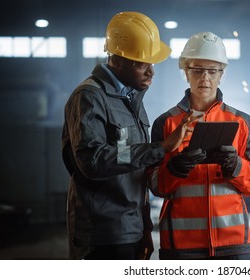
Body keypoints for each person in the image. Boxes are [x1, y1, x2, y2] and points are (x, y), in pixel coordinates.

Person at [61, 11, 199, 260]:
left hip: (130, 230)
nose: (150, 72)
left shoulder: (130, 99)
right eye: (140, 64)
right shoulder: (90, 97)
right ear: (117, 59)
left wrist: (145, 228)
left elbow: (132, 170)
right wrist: (160, 148)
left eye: (152, 63)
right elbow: (93, 161)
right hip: (103, 234)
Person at [146, 32, 250, 260]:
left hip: (233, 243)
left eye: (213, 71)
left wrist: (235, 166)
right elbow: (154, 185)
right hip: (181, 245)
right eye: (197, 70)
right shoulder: (167, 123)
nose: (205, 78)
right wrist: (175, 168)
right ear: (186, 73)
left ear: (222, 74)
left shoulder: (242, 123)